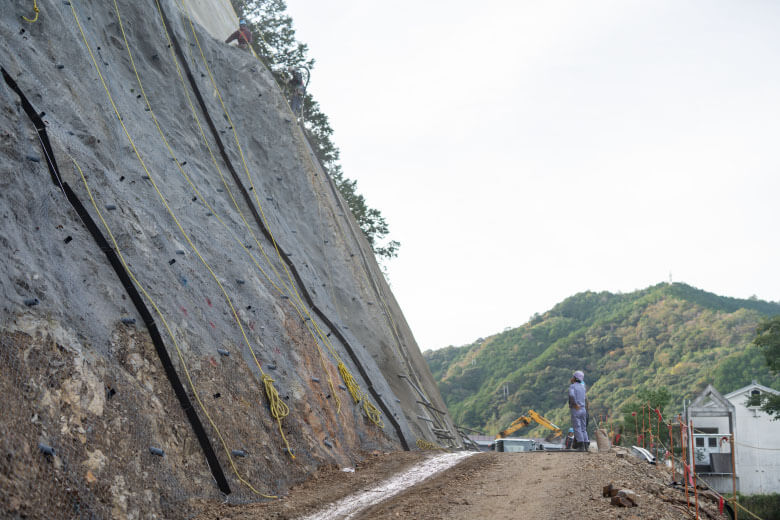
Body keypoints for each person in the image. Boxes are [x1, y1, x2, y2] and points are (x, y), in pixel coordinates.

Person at [568, 370, 589, 451]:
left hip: (576, 409)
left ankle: (581, 446)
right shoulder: (583, 387)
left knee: (577, 427)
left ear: (575, 378)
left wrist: (574, 403)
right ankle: (586, 445)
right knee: (583, 428)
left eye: (573, 377)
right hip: (583, 409)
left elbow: (571, 395)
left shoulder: (572, 386)